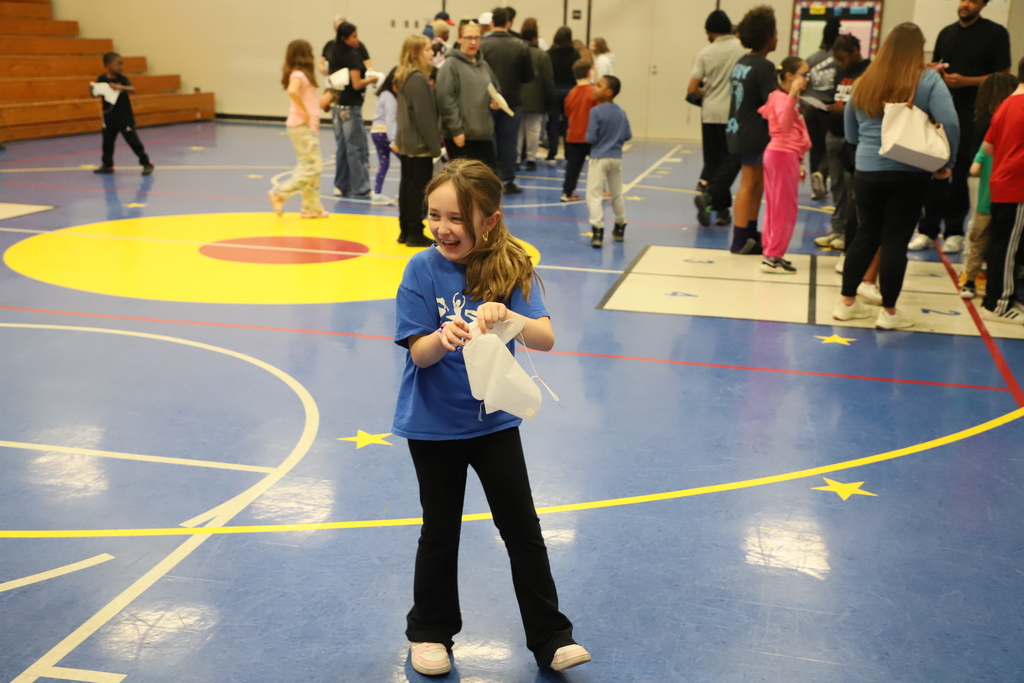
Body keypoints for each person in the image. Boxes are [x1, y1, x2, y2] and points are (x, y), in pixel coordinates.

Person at [394, 158, 591, 676]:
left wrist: (511, 316)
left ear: (490, 220)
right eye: (434, 215)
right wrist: (443, 337)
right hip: (433, 426)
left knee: (522, 528)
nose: (442, 228)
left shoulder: (510, 264)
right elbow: (418, 354)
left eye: (456, 217)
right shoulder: (420, 268)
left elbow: (544, 338)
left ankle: (551, 636)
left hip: (493, 424)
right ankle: (430, 631)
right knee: (440, 531)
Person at [832, 23, 959, 330]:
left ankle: (847, 303)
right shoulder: (928, 80)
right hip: (909, 171)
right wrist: (947, 161)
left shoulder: (865, 81)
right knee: (895, 241)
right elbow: (951, 124)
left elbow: (850, 132)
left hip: (867, 170)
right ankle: (888, 312)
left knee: (866, 235)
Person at [909, 0, 1012, 254]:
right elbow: (936, 67)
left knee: (961, 174)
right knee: (934, 170)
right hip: (942, 113)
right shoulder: (947, 32)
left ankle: (954, 231)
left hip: (974, 115)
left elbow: (1002, 76)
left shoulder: (996, 33)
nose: (966, 4)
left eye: (973, 1)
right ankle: (927, 229)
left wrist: (966, 81)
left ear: (983, 5)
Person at [726, 5, 778, 255]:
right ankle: (739, 238)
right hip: (754, 132)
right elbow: (773, 102)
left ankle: (749, 232)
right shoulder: (764, 67)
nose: (778, 36)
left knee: (755, 183)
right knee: (750, 184)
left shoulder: (742, 62)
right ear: (767, 36)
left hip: (738, 129)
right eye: (775, 32)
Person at [960, 73, 1017, 299]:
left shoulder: (987, 121)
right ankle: (977, 277)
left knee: (979, 234)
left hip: (987, 189)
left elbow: (976, 164)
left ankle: (972, 277)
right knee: (987, 234)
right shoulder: (995, 124)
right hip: (993, 190)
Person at [978, 57, 1024, 322]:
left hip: (1002, 183)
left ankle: (1000, 299)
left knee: (1001, 245)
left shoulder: (1005, 104)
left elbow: (988, 148)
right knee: (1007, 247)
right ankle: (999, 303)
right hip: (1016, 187)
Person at [690, 9, 746, 228]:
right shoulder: (742, 51)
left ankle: (712, 202)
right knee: (731, 161)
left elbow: (692, 88)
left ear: (711, 31)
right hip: (734, 113)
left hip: (710, 113)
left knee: (713, 163)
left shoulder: (705, 53)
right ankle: (720, 209)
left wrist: (709, 91)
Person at [815, 33, 870, 251]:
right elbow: (838, 96)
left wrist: (845, 109)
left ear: (855, 52)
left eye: (842, 58)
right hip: (834, 133)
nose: (840, 63)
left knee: (851, 187)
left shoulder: (868, 72)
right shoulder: (841, 71)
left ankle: (849, 231)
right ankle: (836, 229)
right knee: (836, 185)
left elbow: (864, 104)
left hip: (853, 138)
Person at [268, 40, 335, 219]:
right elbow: (292, 91)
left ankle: (311, 207)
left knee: (311, 167)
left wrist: (335, 89)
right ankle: (279, 193)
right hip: (301, 126)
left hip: (306, 127)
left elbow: (318, 103)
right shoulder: (298, 75)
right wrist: (304, 112)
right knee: (312, 168)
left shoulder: (306, 78)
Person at [757, 56, 811, 273]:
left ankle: (771, 251)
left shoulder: (778, 97)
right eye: (803, 74)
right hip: (782, 155)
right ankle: (772, 255)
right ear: (790, 76)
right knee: (784, 210)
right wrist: (791, 96)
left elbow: (768, 113)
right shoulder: (783, 98)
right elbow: (785, 123)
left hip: (781, 155)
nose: (807, 79)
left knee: (776, 206)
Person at [481, 7, 535, 194]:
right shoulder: (521, 45)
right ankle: (508, 180)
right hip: (512, 101)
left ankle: (489, 180)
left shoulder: (482, 45)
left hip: (486, 100)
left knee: (489, 140)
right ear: (509, 23)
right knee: (509, 141)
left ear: (492, 22)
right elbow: (529, 76)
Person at [436, 20, 501, 171]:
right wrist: (456, 130)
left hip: (483, 133)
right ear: (459, 38)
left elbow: (495, 88)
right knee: (465, 183)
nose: (473, 42)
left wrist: (495, 100)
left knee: (488, 180)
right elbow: (445, 100)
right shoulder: (450, 65)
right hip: (461, 137)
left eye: (477, 38)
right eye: (468, 37)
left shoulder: (483, 65)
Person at [395, 36, 440, 248]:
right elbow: (426, 118)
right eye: (428, 50)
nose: (432, 53)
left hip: (406, 142)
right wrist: (435, 147)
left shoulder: (403, 76)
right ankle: (414, 231)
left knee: (407, 186)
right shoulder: (419, 80)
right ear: (414, 53)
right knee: (417, 189)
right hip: (419, 144)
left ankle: (405, 229)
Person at [327, 22, 379, 199]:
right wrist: (372, 80)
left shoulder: (334, 53)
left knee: (342, 147)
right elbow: (356, 84)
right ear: (345, 38)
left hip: (337, 106)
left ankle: (341, 184)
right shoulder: (352, 56)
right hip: (351, 108)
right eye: (354, 36)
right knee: (355, 148)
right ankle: (362, 188)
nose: (357, 39)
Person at [586, 76, 631, 247]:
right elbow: (627, 134)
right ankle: (620, 226)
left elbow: (591, 137)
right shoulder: (621, 111)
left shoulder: (596, 112)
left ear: (608, 92)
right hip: (616, 157)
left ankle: (597, 231)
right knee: (617, 193)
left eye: (598, 86)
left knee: (594, 195)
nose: (594, 88)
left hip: (599, 157)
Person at [92, 52, 153, 175]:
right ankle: (107, 165)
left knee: (133, 142)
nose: (121, 67)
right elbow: (95, 94)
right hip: (109, 118)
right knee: (107, 143)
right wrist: (92, 90)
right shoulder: (102, 79)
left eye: (122, 64)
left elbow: (132, 89)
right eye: (118, 64)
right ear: (108, 65)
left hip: (124, 118)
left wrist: (119, 87)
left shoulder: (122, 79)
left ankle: (146, 162)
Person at [804, 17, 842, 199]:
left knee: (815, 147)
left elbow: (804, 84)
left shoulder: (811, 59)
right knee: (830, 148)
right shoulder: (840, 60)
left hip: (811, 109)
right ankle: (822, 172)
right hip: (830, 110)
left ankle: (815, 188)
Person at [518, 24, 553, 171]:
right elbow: (548, 80)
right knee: (533, 129)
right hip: (536, 99)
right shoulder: (542, 55)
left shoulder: (516, 52)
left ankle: (516, 159)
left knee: (517, 130)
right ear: (535, 38)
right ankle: (531, 159)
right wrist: (548, 103)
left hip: (517, 98)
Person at [561, 59, 596, 202]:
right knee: (596, 166)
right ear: (589, 73)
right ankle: (600, 189)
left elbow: (567, 112)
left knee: (573, 167)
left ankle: (567, 192)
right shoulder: (594, 92)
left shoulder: (571, 93)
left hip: (572, 136)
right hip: (590, 136)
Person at [546, 27, 580, 162]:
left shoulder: (550, 53)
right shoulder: (575, 54)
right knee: (568, 123)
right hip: (570, 90)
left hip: (554, 89)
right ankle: (568, 152)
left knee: (553, 122)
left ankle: (552, 152)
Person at [370, 68, 398, 205]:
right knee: (406, 161)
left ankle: (376, 193)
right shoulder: (389, 96)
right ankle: (405, 191)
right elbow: (390, 119)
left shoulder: (383, 94)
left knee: (384, 162)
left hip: (376, 131)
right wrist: (393, 140)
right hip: (384, 132)